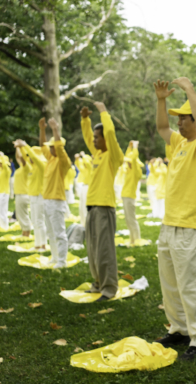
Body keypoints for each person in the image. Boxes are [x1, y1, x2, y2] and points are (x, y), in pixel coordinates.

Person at [153, 78, 196, 361]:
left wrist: (191, 89)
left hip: (192, 224)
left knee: (191, 284)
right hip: (169, 224)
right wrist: (161, 100)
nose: (179, 123)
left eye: (184, 118)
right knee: (170, 284)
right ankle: (179, 329)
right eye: (178, 119)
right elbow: (161, 127)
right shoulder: (178, 143)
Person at [80, 102, 123, 300]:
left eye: (98, 137)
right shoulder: (97, 154)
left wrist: (104, 112)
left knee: (105, 250)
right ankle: (98, 283)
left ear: (105, 138)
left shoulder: (113, 156)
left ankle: (109, 288)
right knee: (93, 249)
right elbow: (88, 137)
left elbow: (111, 134)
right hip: (92, 206)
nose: (94, 141)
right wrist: (85, 120)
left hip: (104, 207)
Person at [29, 117, 71, 267]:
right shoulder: (51, 159)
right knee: (51, 232)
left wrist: (55, 129)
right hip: (47, 200)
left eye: (52, 146)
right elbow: (42, 145)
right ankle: (55, 257)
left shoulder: (63, 161)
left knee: (59, 233)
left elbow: (59, 148)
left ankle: (62, 261)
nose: (50, 148)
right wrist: (42, 129)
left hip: (56, 201)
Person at [18, 142, 48, 250]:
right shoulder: (32, 166)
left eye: (31, 156)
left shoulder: (42, 165)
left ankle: (43, 245)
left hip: (40, 196)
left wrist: (26, 145)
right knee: (34, 221)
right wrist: (21, 148)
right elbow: (25, 158)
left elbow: (34, 157)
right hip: (32, 196)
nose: (29, 158)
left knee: (40, 221)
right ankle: (37, 244)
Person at [122, 141, 143, 246]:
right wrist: (129, 147)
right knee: (128, 220)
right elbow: (128, 157)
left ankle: (137, 239)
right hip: (126, 196)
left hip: (130, 197)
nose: (127, 163)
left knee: (132, 219)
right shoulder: (129, 170)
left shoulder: (135, 171)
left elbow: (133, 158)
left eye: (129, 162)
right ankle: (132, 239)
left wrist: (135, 147)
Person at [13, 146, 32, 238]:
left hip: (23, 194)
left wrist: (19, 147)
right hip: (19, 194)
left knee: (24, 214)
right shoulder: (21, 167)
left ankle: (27, 233)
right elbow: (18, 157)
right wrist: (17, 148)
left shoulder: (27, 166)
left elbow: (21, 158)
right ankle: (24, 232)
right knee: (20, 214)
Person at [75, 152, 92, 223]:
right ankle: (83, 222)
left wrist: (83, 155)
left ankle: (86, 222)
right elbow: (78, 165)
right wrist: (77, 159)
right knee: (81, 206)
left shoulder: (91, 168)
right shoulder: (84, 169)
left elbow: (88, 164)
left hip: (89, 187)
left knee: (85, 206)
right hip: (84, 187)